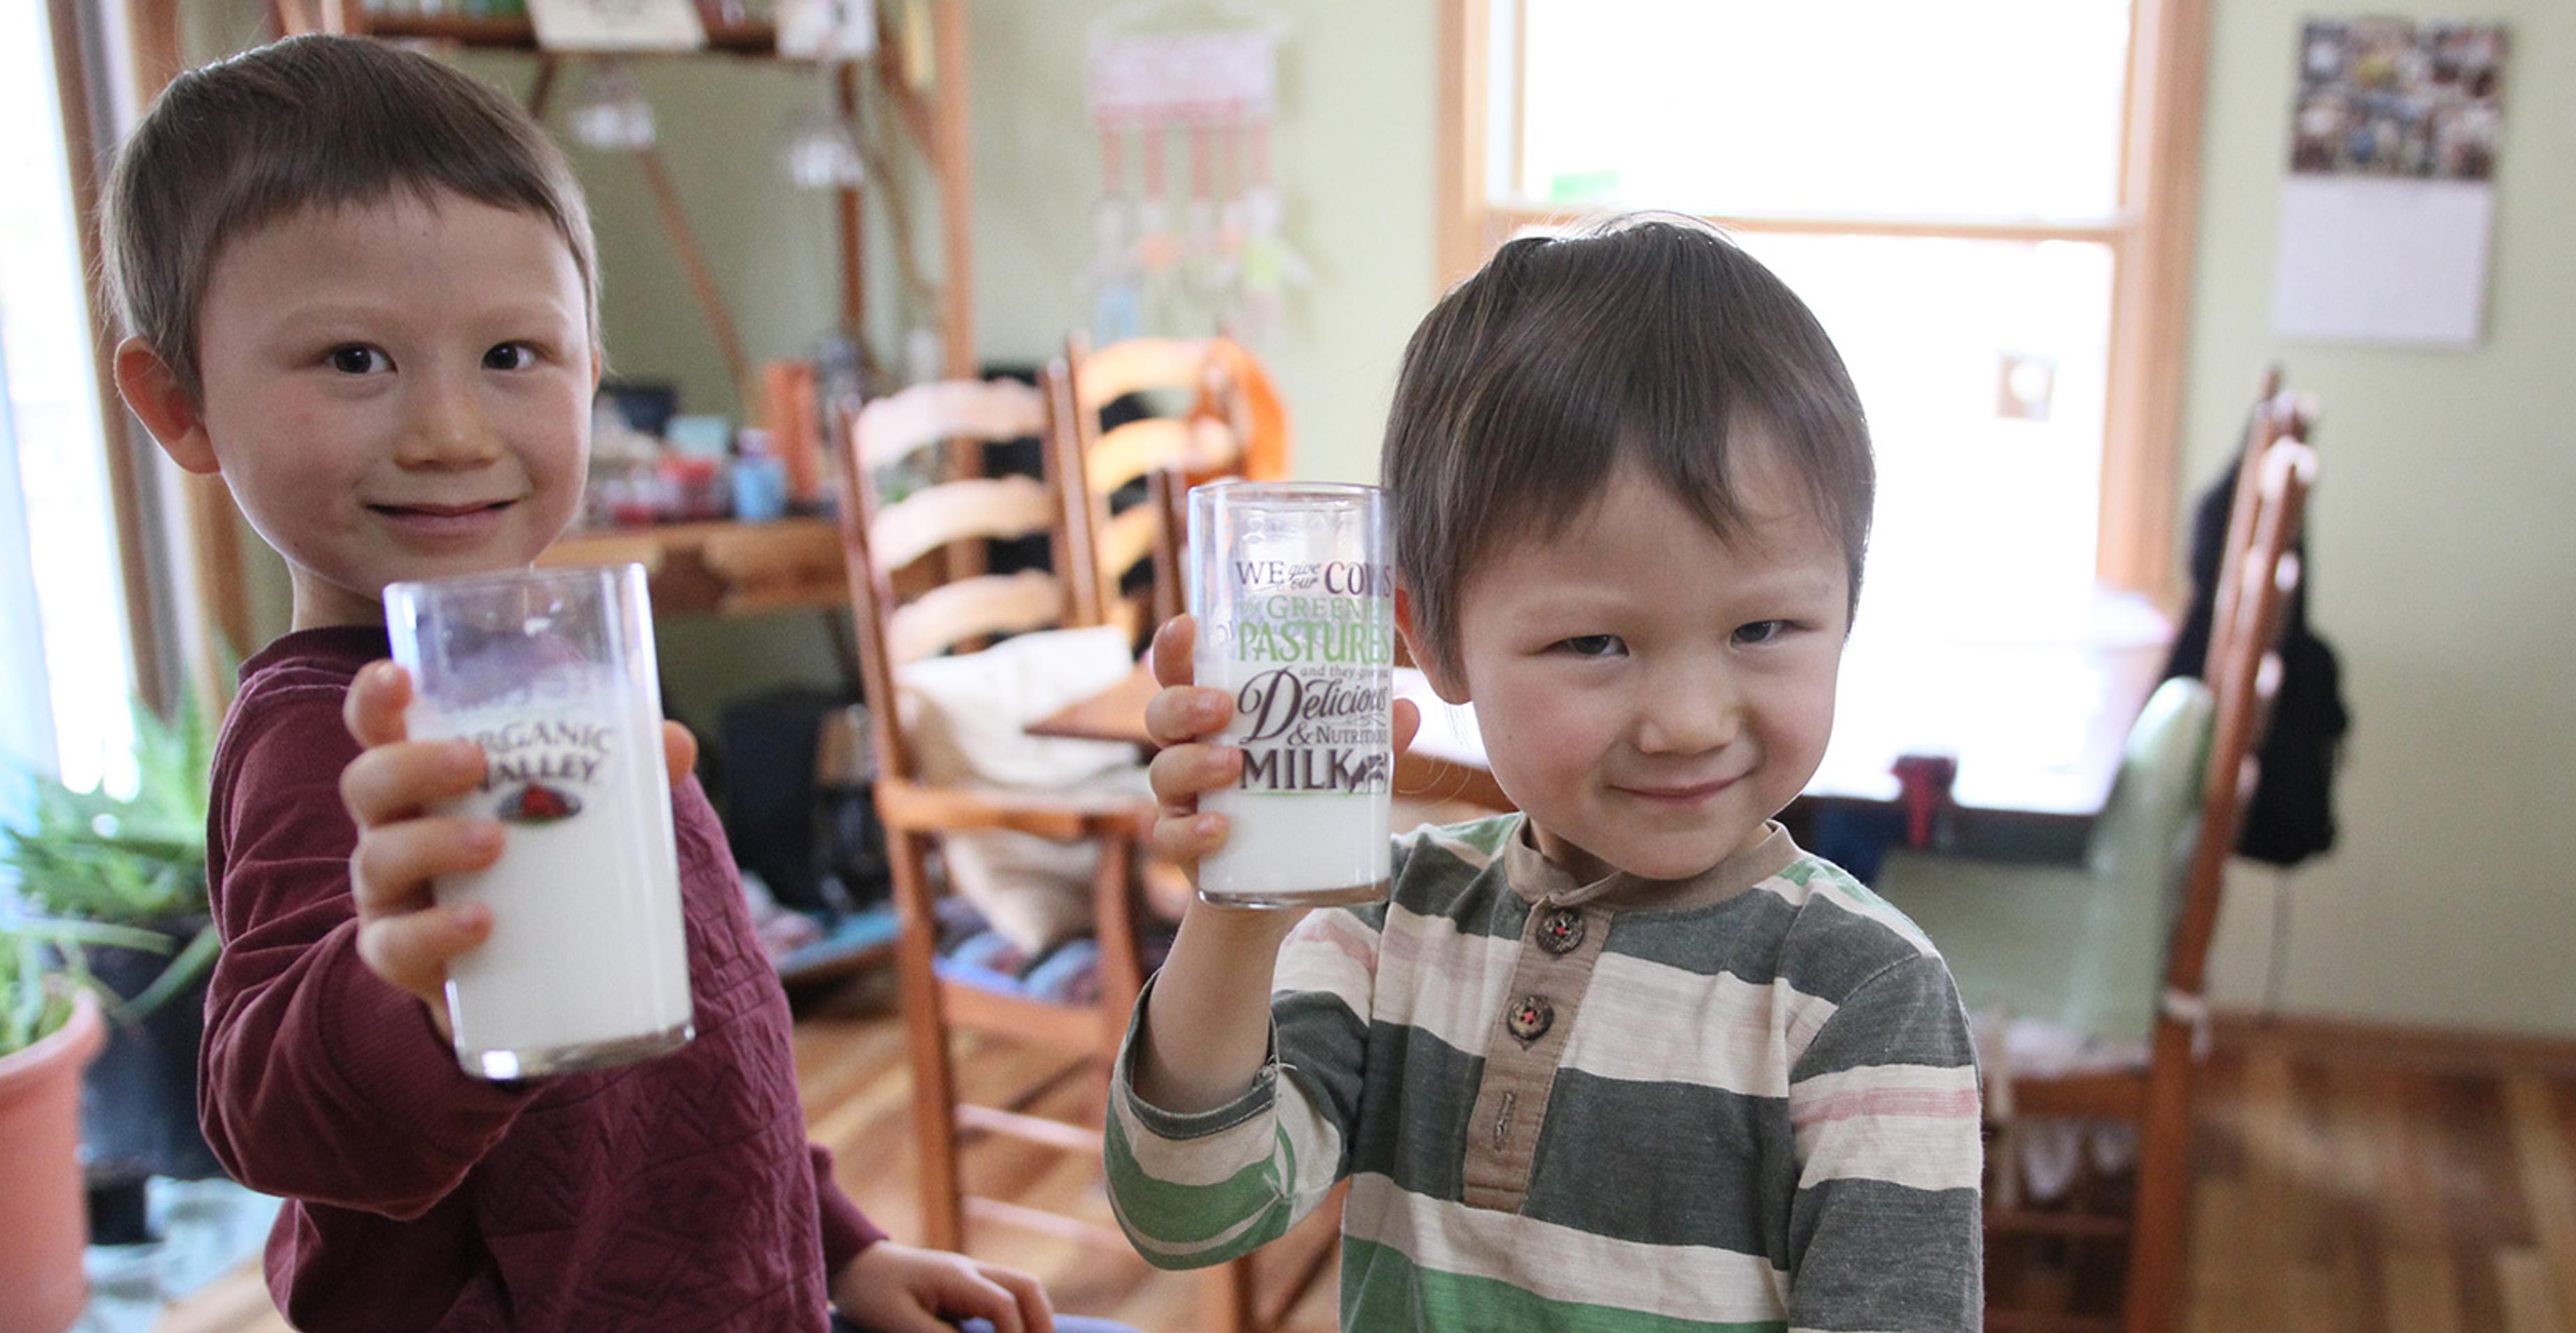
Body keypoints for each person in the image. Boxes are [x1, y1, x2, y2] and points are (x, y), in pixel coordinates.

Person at [103, 34, 1130, 1333]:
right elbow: (271, 1114)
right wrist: (409, 1001)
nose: (449, 431)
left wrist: (842, 1250)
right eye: (355, 360)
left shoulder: (570, 686)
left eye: (513, 355)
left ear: (592, 370)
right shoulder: (326, 742)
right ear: (181, 403)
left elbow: (721, 1067)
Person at [1106, 217, 1984, 1330]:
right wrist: (1242, 909)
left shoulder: (1862, 994)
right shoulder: (1386, 926)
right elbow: (1190, 1216)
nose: (1686, 722)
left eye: (1763, 627)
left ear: (1847, 608)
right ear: (1434, 644)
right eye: (1594, 645)